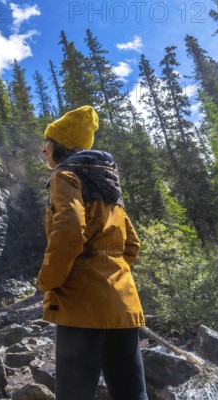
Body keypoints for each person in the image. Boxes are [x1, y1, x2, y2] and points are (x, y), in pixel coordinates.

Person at [37, 105, 148, 400]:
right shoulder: (110, 185)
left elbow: (70, 233)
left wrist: (48, 280)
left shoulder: (66, 177)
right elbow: (132, 243)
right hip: (123, 304)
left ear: (58, 145)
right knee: (132, 394)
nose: (42, 149)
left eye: (46, 142)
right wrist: (113, 274)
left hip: (81, 305)